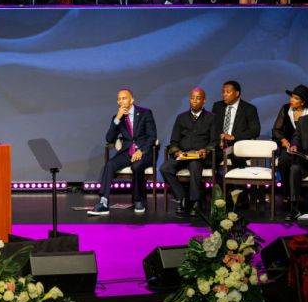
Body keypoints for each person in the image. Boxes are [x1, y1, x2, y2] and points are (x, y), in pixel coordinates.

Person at [88, 89, 157, 215]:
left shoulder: (145, 113)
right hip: (127, 152)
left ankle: (138, 200)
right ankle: (103, 202)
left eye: (124, 98)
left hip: (142, 152)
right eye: (119, 99)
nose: (121, 101)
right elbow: (109, 139)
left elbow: (152, 136)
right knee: (109, 164)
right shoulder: (117, 118)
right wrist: (118, 118)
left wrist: (141, 151)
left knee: (137, 165)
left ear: (132, 100)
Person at [161, 87, 216, 217]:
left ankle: (196, 202)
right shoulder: (181, 117)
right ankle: (182, 197)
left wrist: (205, 150)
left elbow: (214, 141)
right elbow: (174, 141)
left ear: (204, 101)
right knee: (165, 168)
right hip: (183, 155)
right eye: (192, 98)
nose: (194, 101)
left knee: (194, 166)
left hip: (199, 157)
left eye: (198, 98)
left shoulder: (211, 118)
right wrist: (176, 152)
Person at [272, 84, 308, 203]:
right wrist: (283, 140)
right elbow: (276, 129)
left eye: (296, 98)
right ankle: (287, 193)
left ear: (303, 102)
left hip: (306, 146)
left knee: (301, 163)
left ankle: (302, 193)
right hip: (288, 145)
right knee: (284, 161)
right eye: (292, 97)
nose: (291, 100)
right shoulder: (285, 109)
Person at [212, 80, 261, 174]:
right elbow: (213, 126)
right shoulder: (217, 106)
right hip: (220, 146)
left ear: (237, 93)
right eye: (223, 92)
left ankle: (240, 182)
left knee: (237, 157)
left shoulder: (249, 109)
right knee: (209, 158)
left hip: (238, 145)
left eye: (228, 92)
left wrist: (234, 136)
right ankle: (218, 182)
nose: (224, 94)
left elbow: (255, 131)